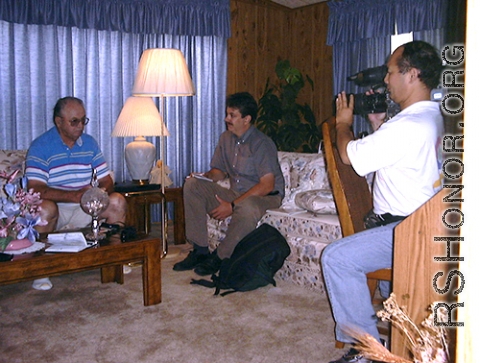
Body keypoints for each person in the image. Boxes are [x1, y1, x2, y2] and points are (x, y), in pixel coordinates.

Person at [322, 41, 444, 363]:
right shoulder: (436, 118)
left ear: (412, 74)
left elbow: (349, 157)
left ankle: (366, 353)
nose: (386, 80)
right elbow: (398, 157)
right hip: (427, 227)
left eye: (391, 72)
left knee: (337, 258)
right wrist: (378, 126)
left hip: (407, 230)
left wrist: (343, 124)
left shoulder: (407, 125)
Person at [173, 92, 285, 276]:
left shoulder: (261, 143)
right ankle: (200, 250)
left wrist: (233, 205)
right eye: (227, 114)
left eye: (232, 115)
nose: (227, 119)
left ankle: (220, 257)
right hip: (237, 193)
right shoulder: (226, 138)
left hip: (266, 197)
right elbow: (219, 172)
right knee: (192, 185)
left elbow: (267, 185)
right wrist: (204, 176)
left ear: (246, 119)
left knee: (247, 206)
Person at [25, 96, 127, 290]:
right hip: (58, 210)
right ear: (59, 121)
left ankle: (114, 261)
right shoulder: (41, 146)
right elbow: (35, 189)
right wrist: (73, 196)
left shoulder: (89, 143)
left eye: (83, 120)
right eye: (74, 121)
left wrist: (98, 193)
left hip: (86, 207)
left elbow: (106, 179)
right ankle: (41, 270)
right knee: (43, 208)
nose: (80, 126)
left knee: (117, 201)